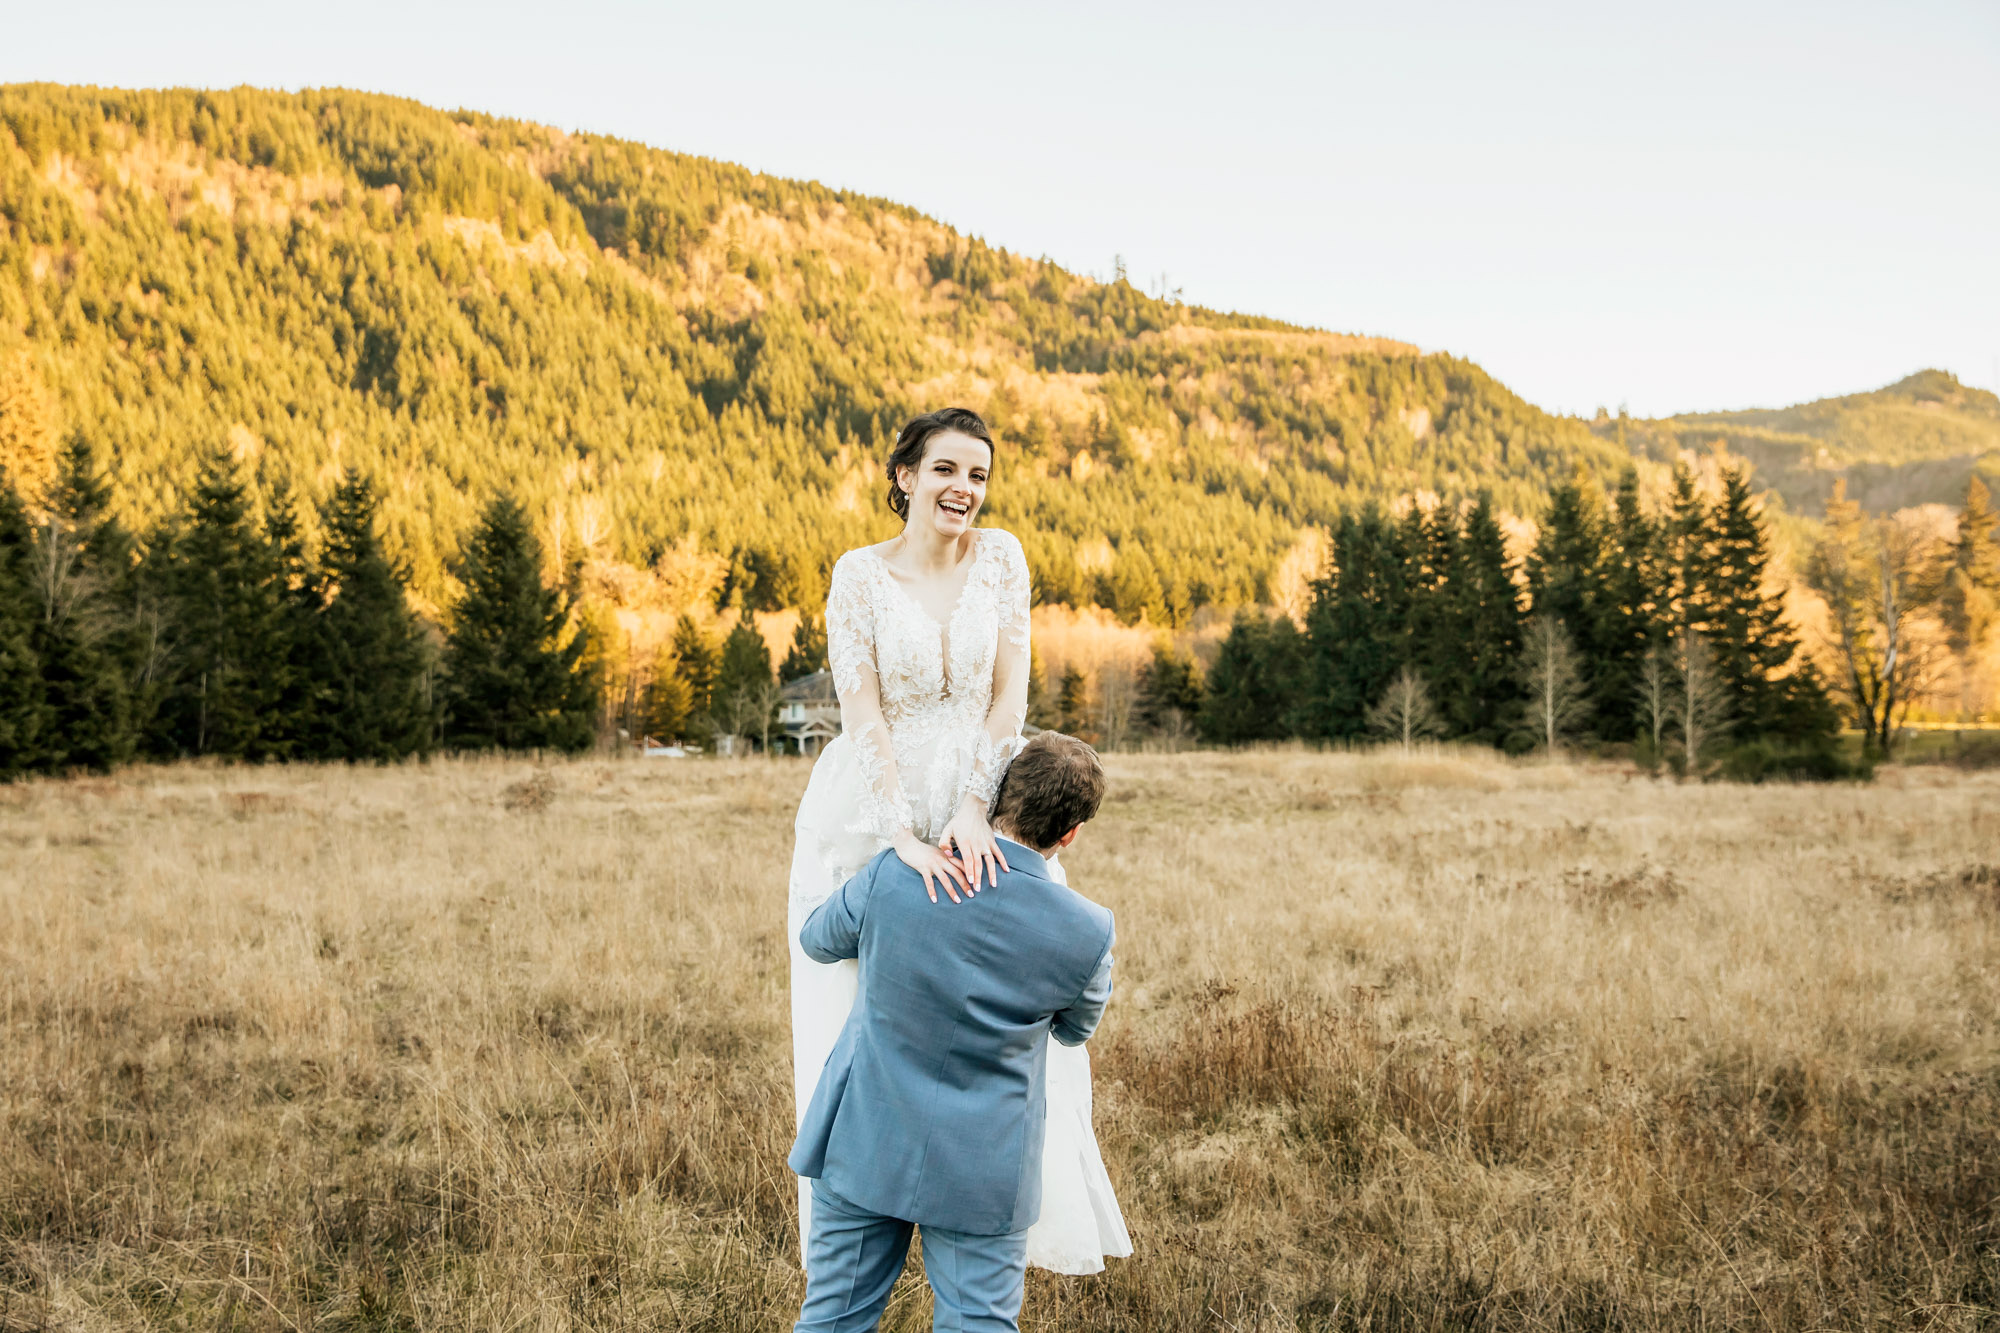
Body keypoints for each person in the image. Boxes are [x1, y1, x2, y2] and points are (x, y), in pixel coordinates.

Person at [786, 406, 1129, 1276]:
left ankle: (989, 1216)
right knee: (867, 1016)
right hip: (872, 800)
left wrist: (975, 806)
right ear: (903, 475)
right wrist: (900, 831)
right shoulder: (857, 575)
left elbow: (1009, 694)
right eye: (945, 470)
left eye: (977, 475)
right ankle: (864, 1213)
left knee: (998, 1004)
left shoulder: (1004, 558)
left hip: (988, 799)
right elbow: (861, 707)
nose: (963, 490)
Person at [790, 732, 1115, 1332]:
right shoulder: (1088, 931)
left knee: (832, 1320)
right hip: (984, 1167)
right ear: (1069, 834)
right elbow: (1075, 1032)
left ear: (997, 798)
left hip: (867, 1136)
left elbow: (816, 940)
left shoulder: (895, 873)